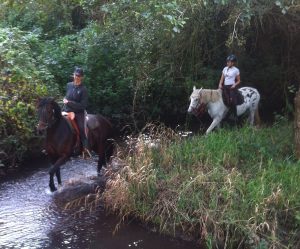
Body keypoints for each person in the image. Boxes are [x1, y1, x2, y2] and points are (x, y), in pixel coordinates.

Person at [63, 67, 91, 157]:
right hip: (67, 111)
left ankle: (85, 150)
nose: (76, 77)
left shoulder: (84, 89)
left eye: (78, 76)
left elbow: (83, 105)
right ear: (73, 75)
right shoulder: (68, 85)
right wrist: (65, 101)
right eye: (75, 75)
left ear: (82, 77)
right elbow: (67, 97)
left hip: (79, 113)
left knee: (82, 130)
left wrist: (69, 102)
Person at [218, 54, 241, 119]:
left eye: (229, 62)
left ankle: (234, 115)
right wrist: (220, 84)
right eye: (227, 61)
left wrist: (234, 85)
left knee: (232, 101)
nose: (227, 63)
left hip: (232, 87)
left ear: (233, 62)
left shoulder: (236, 70)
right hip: (225, 87)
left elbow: (239, 80)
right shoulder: (225, 69)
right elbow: (222, 78)